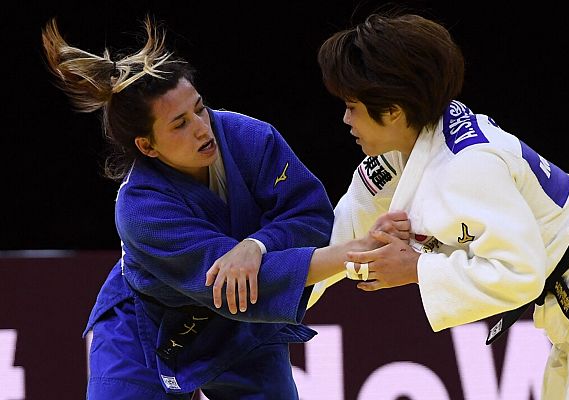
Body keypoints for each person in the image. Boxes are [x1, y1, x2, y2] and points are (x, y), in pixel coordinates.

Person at [309, 11, 569, 400]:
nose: (345, 118)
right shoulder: (398, 155)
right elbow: (338, 239)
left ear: (392, 110)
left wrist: (416, 267)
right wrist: (267, 301)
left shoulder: (468, 163)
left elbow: (521, 274)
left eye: (352, 105)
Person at [41, 16, 408, 400]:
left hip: (241, 331)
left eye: (200, 108)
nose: (202, 128)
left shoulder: (249, 137)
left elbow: (311, 218)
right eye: (180, 124)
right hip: (146, 329)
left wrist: (258, 244)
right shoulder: (141, 210)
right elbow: (231, 284)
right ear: (148, 147)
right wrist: (350, 254)